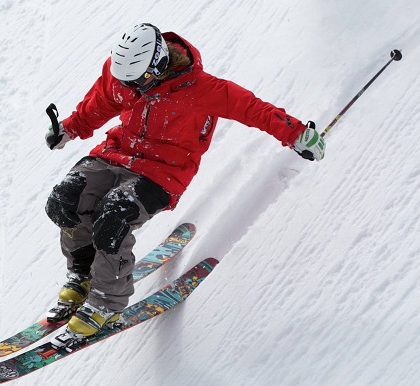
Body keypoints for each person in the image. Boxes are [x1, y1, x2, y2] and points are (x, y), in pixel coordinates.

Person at [44, 23, 325, 339]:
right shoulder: (124, 72)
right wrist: (70, 128)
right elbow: (103, 100)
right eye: (127, 81)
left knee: (113, 217)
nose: (132, 88)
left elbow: (254, 110)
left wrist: (297, 133)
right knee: (64, 200)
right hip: (115, 154)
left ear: (159, 64)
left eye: (138, 81)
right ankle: (83, 273)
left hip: (162, 172)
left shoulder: (204, 90)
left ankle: (107, 302)